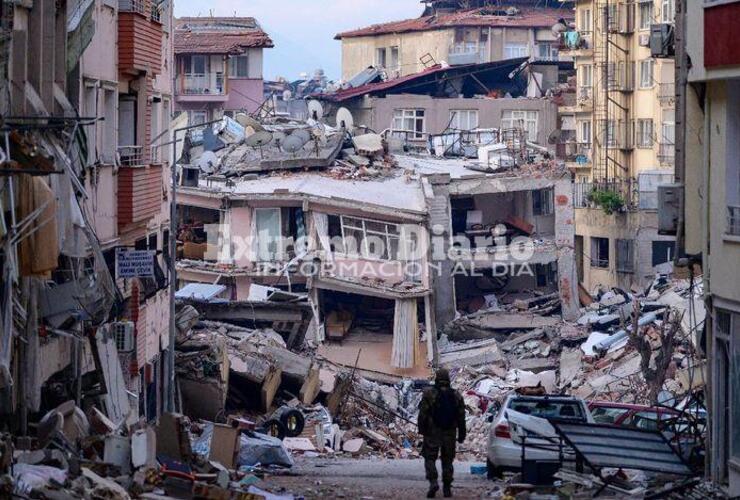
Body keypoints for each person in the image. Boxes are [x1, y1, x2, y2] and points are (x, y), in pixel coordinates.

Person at [418, 368, 466, 498]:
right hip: (449, 432)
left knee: (429, 458)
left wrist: (421, 429)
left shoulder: (429, 393)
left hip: (433, 431)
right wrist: (462, 434)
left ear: (437, 379)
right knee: (447, 460)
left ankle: (433, 482)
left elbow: (423, 414)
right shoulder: (456, 395)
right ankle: (446, 487)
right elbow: (461, 417)